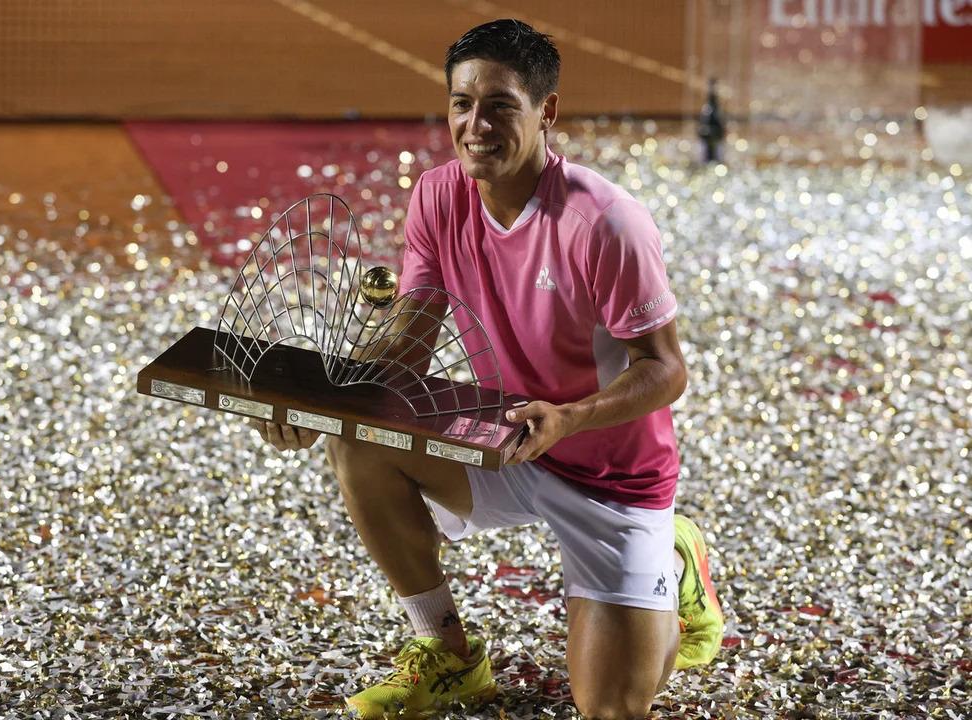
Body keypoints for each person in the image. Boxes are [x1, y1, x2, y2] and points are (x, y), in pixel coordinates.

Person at [252, 19, 724, 720]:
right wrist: (313, 403)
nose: (476, 125)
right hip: (503, 441)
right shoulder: (439, 196)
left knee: (611, 710)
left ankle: (675, 560)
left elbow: (666, 369)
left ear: (546, 112)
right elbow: (408, 348)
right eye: (461, 104)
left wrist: (568, 418)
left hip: (611, 479)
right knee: (358, 439)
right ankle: (446, 652)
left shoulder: (607, 223)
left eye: (500, 105)